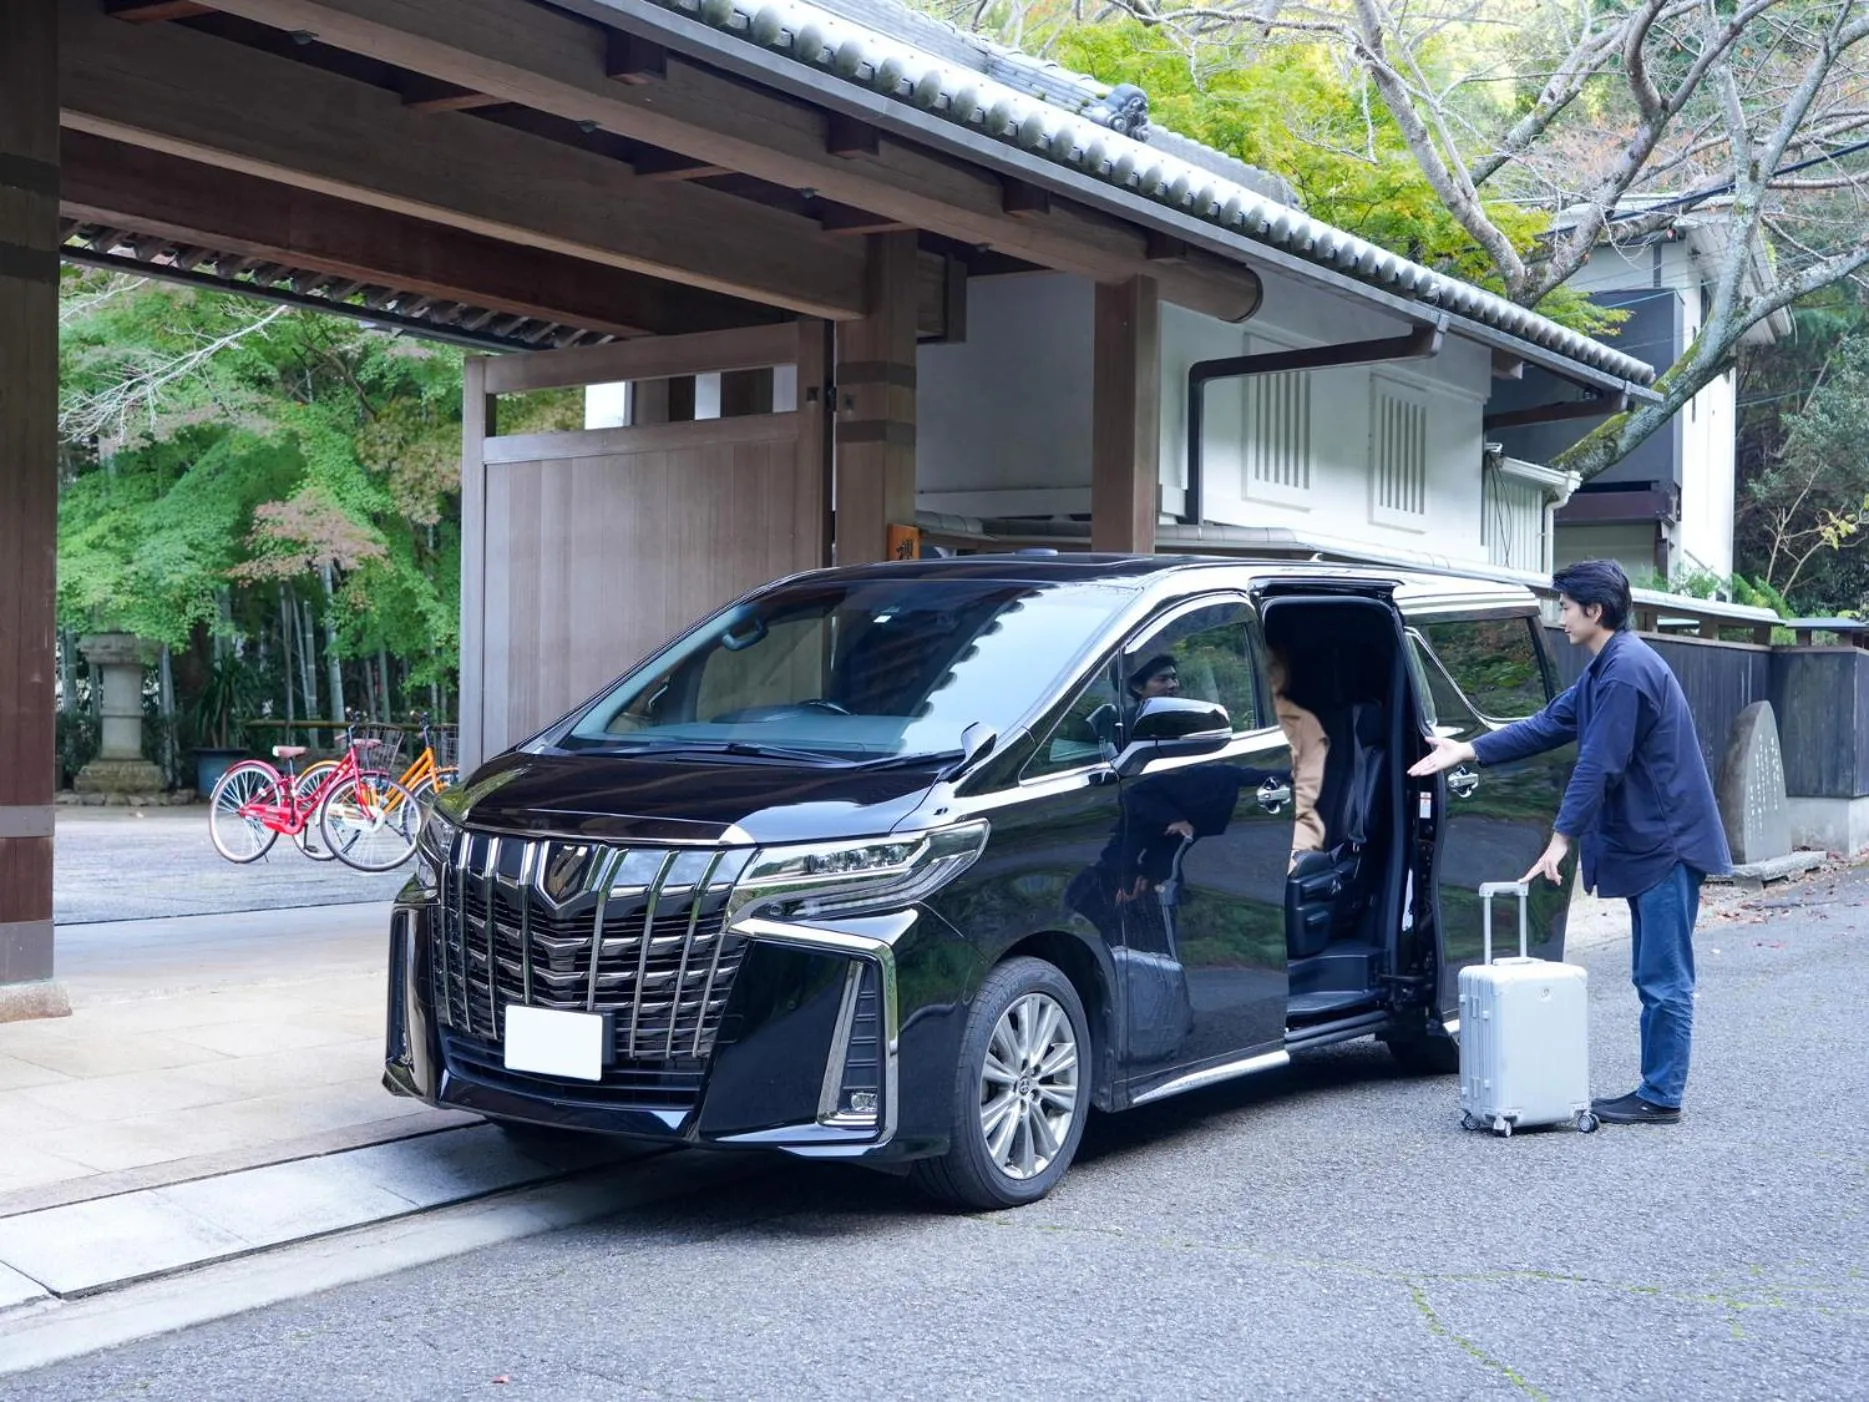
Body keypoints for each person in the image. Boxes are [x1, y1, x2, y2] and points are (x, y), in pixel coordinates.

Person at [1408, 559, 1731, 1126]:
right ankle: (1657, 1090)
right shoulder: (1608, 667)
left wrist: (1560, 841)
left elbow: (1598, 764)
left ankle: (1661, 1096)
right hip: (1654, 840)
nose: (1560, 616)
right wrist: (1469, 750)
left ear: (1595, 610)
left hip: (1669, 842)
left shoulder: (1626, 672)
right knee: (1654, 974)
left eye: (1565, 606)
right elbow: (1550, 723)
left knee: (1664, 977)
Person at [1267, 647, 1328, 870]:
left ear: (1285, 671)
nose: (1268, 673)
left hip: (1296, 822)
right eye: (1261, 667)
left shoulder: (1304, 723)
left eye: (1273, 666)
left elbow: (1305, 794)